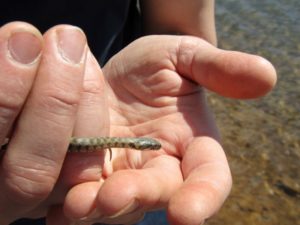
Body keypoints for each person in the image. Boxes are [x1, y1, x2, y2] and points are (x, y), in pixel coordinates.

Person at [0, 1, 276, 225]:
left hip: (120, 175)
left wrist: (179, 70)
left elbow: (178, 24)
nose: (151, 146)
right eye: (150, 145)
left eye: (149, 146)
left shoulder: (138, 152)